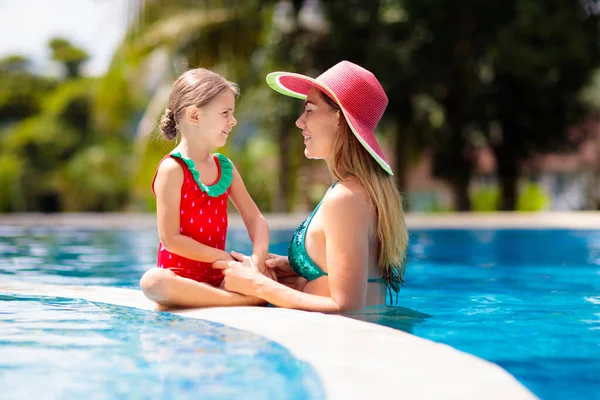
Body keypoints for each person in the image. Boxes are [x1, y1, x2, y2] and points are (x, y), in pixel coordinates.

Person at [213, 60, 409, 312]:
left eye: (310, 110)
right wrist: (299, 268)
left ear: (339, 118)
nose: (299, 122)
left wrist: (256, 284)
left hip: (340, 347)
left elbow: (346, 306)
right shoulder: (359, 191)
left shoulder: (345, 198)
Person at [139, 68, 271, 308]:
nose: (233, 121)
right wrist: (223, 257)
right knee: (153, 281)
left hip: (220, 276)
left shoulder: (225, 167)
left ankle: (230, 294)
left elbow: (255, 219)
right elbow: (171, 239)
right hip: (179, 278)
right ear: (195, 115)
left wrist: (256, 261)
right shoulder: (173, 169)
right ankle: (236, 300)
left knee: (275, 268)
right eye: (225, 113)